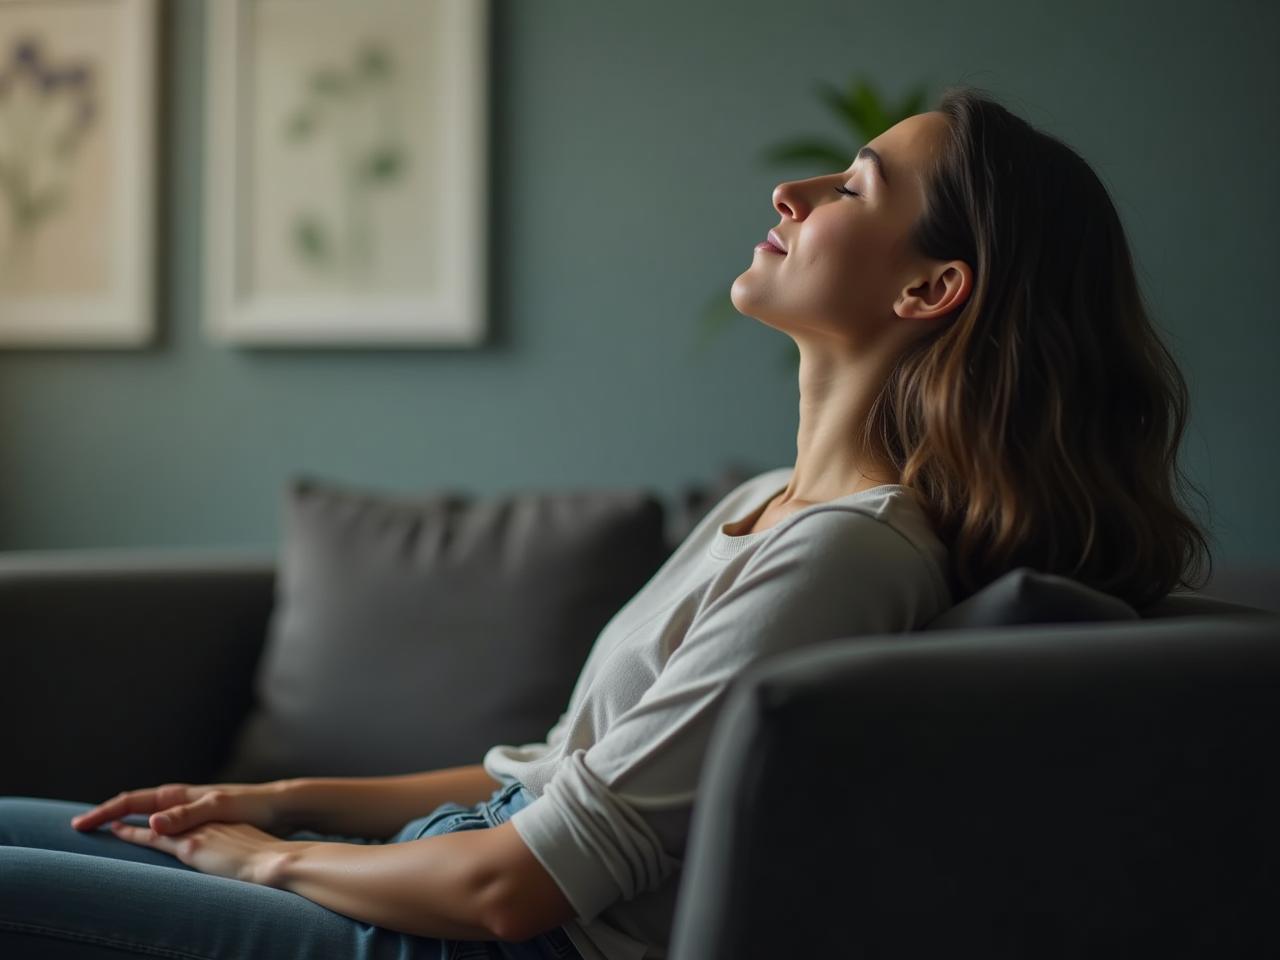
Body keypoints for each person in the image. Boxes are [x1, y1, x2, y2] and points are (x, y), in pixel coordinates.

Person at [0, 85, 1211, 960]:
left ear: (928, 289)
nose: (790, 192)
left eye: (852, 188)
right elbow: (544, 778)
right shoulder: (765, 507)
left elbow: (511, 895)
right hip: (442, 862)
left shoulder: (849, 554)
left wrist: (268, 860)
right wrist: (284, 797)